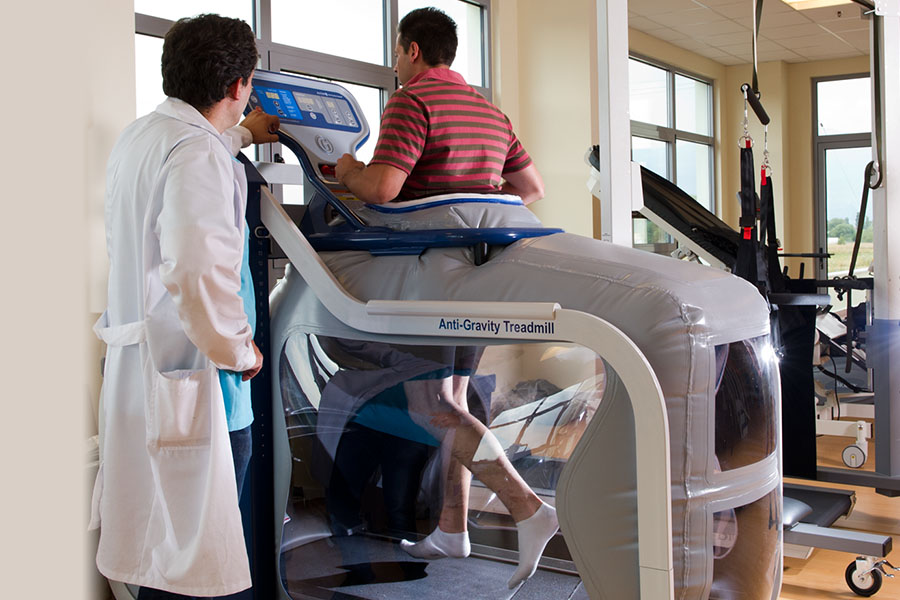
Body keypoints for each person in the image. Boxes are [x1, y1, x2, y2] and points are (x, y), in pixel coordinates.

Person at [334, 7, 554, 589]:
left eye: (395, 52)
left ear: (410, 51)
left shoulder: (413, 100)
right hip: (478, 279)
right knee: (452, 401)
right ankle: (453, 530)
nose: (395, 64)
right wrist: (471, 195)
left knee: (429, 408)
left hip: (431, 278)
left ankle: (529, 508)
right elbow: (531, 189)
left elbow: (382, 187)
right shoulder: (488, 109)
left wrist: (350, 168)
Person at [89, 14, 279, 599]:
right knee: (199, 561)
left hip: (141, 373)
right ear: (237, 86)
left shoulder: (144, 135)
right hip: (202, 380)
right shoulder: (197, 151)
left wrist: (244, 135)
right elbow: (196, 268)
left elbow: (198, 154)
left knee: (163, 546)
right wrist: (238, 350)